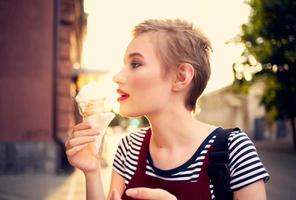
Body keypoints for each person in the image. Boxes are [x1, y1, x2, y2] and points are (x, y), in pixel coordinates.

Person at [65, 19, 269, 200]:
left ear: (181, 77)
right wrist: (92, 173)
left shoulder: (234, 151)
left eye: (135, 64)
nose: (117, 76)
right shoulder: (129, 148)